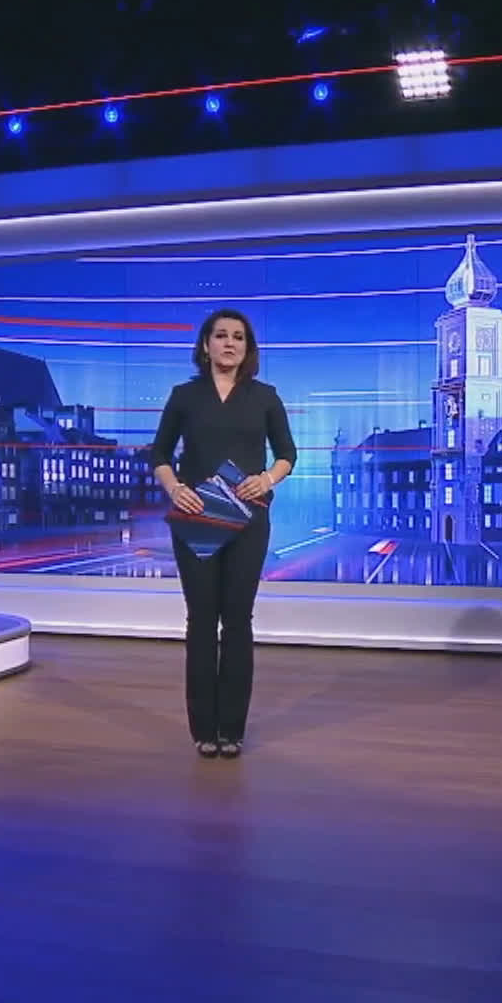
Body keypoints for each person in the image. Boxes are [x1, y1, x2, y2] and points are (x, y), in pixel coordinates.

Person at [148, 309, 297, 760]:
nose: (229, 343)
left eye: (238, 337)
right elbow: (159, 454)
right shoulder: (185, 396)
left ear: (248, 348)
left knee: (236, 621)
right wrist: (175, 489)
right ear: (206, 344)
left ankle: (232, 729)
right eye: (221, 335)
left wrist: (266, 479)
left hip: (248, 520)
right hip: (197, 518)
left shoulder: (265, 397)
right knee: (200, 621)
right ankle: (203, 730)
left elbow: (287, 454)